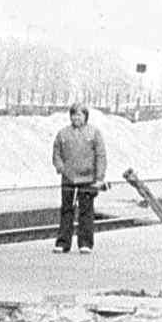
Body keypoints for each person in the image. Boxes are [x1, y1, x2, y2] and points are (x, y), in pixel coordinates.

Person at [48, 104, 107, 253]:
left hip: (88, 178)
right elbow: (56, 153)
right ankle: (62, 243)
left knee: (86, 211)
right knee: (66, 209)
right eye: (74, 115)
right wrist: (61, 167)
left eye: (79, 115)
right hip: (68, 178)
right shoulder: (62, 134)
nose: (76, 118)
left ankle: (85, 243)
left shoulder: (94, 133)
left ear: (86, 116)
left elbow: (101, 156)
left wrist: (99, 177)